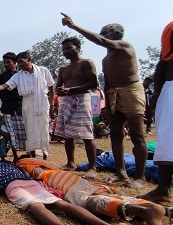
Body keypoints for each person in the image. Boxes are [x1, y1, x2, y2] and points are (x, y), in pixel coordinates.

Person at [62, 13, 147, 189]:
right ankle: (120, 171)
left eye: (105, 33)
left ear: (116, 34)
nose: (102, 36)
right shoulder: (105, 59)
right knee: (116, 133)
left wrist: (75, 26)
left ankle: (140, 176)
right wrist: (108, 105)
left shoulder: (124, 46)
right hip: (113, 93)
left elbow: (101, 41)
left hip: (131, 90)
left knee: (137, 135)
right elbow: (107, 83)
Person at [17, 158, 166, 225]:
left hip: (54, 180)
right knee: (101, 193)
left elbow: (25, 177)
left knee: (87, 200)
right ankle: (164, 210)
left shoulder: (23, 163)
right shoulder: (45, 163)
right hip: (69, 177)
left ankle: (140, 210)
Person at [0, 161, 109, 225]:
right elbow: (25, 172)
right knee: (61, 204)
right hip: (30, 182)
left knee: (36, 206)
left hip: (12, 186)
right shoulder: (12, 166)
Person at [0, 51, 55, 159]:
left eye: (21, 62)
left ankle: (45, 157)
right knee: (29, 131)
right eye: (19, 63)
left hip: (41, 103)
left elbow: (51, 86)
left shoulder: (43, 71)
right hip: (26, 104)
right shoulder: (18, 75)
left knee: (43, 129)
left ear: (29, 59)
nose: (20, 65)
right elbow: (6, 85)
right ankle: (32, 158)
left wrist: (52, 103)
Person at [139, 21, 173, 203]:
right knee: (167, 140)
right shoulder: (170, 28)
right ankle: (163, 190)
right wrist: (157, 93)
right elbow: (162, 63)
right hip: (170, 88)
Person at [54, 37, 99, 179]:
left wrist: (72, 89)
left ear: (78, 48)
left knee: (87, 133)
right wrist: (61, 91)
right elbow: (58, 86)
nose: (65, 51)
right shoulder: (63, 69)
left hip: (82, 98)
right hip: (67, 101)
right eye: (63, 50)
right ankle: (70, 163)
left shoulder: (86, 63)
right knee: (68, 134)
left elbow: (93, 83)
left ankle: (92, 167)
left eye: (69, 48)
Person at [0, 52, 27, 159]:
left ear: (14, 62)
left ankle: (27, 156)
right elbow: (0, 94)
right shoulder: (2, 76)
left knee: (24, 133)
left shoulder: (22, 74)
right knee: (11, 134)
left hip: (20, 108)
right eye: (4, 62)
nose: (6, 64)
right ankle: (15, 157)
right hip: (7, 108)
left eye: (8, 62)